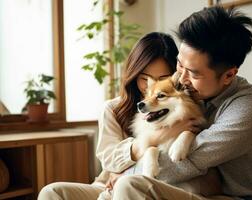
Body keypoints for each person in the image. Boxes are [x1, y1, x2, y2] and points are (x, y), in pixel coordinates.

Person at [109, 6, 252, 200]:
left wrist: (125, 173)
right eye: (179, 64)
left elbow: (184, 164)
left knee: (130, 185)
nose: (182, 79)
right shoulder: (191, 95)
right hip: (199, 190)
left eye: (193, 73)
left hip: (243, 197)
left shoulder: (247, 108)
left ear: (229, 75)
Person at [38, 32, 196, 199]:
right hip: (108, 185)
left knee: (127, 187)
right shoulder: (113, 108)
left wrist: (126, 175)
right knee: (51, 192)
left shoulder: (182, 107)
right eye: (145, 78)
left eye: (162, 78)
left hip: (150, 185)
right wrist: (158, 136)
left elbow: (184, 162)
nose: (151, 86)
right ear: (134, 75)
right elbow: (109, 160)